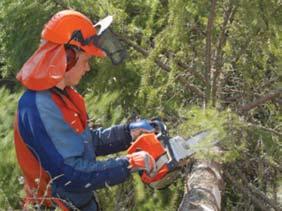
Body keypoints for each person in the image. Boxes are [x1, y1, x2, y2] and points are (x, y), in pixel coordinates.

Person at [14, 10, 156, 211]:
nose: (87, 68)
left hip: (81, 205)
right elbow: (70, 175)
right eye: (85, 61)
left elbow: (84, 143)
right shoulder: (38, 106)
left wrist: (128, 133)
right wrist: (128, 164)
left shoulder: (63, 96)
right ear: (67, 58)